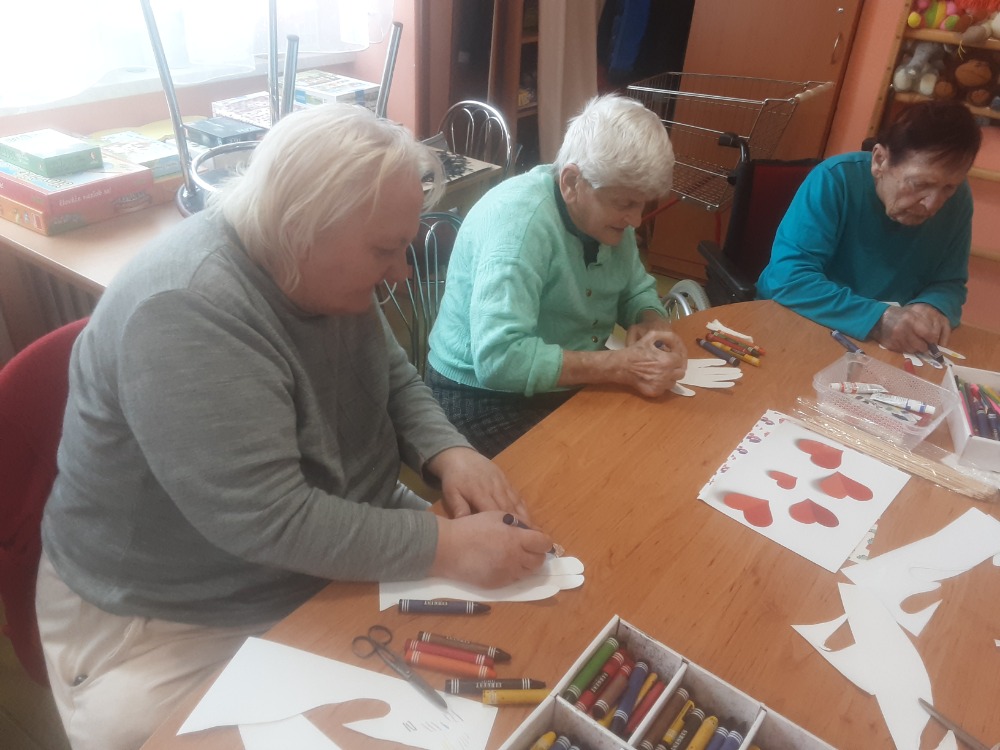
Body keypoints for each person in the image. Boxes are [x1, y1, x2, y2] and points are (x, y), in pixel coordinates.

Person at [36, 104, 553, 750]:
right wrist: (446, 546)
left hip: (304, 547)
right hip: (163, 616)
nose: (400, 272)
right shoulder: (187, 312)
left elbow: (389, 370)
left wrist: (449, 451)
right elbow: (270, 520)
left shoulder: (313, 264)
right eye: (385, 250)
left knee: (508, 644)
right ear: (300, 229)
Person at [426, 94, 687, 458]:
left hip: (559, 382)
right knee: (596, 468)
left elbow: (634, 288)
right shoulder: (519, 227)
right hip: (477, 396)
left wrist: (651, 321)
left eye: (642, 203)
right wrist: (618, 365)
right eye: (625, 204)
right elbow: (500, 360)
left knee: (652, 441)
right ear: (571, 182)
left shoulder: (609, 215)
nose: (636, 220)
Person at [756, 99, 982, 354]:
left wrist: (934, 306)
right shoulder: (834, 179)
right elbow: (788, 277)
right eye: (919, 184)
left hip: (879, 346)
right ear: (879, 160)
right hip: (796, 322)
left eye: (948, 188)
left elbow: (949, 282)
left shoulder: (959, 198)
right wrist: (877, 319)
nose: (932, 204)